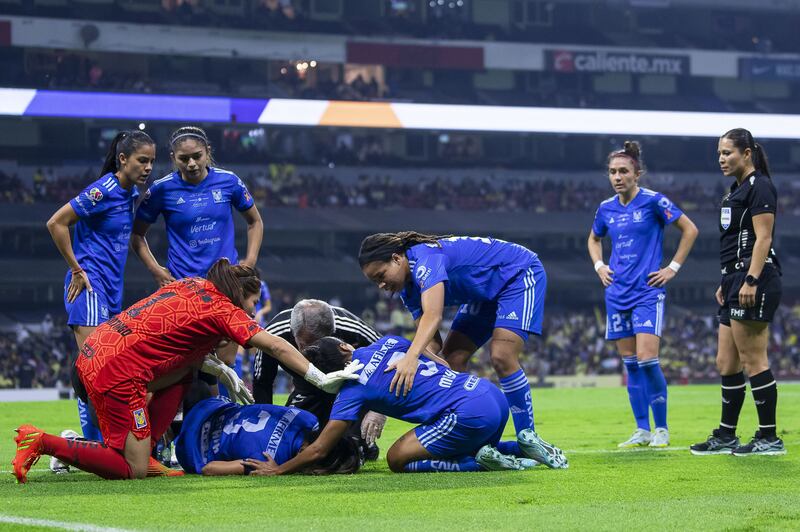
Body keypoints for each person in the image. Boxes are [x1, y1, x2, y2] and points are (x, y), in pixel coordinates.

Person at [11, 259, 362, 483]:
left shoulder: (190, 284)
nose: (253, 312)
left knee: (185, 373)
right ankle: (44, 441)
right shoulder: (226, 310)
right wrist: (320, 377)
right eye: (254, 303)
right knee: (131, 470)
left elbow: (177, 344)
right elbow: (274, 345)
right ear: (243, 293)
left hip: (99, 348)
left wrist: (223, 371)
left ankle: (144, 452)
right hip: (117, 371)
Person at [358, 232, 564, 464]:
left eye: (381, 275)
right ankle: (469, 436)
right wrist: (383, 403)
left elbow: (433, 316)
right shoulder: (408, 290)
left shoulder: (425, 259)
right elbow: (432, 343)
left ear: (397, 259)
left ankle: (528, 437)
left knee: (502, 355)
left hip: (517, 273)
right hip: (483, 294)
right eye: (375, 281)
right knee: (453, 358)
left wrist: (411, 357)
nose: (382, 285)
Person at [252, 336, 566, 475]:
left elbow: (320, 449)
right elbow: (437, 358)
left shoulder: (351, 390)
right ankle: (521, 451)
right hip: (485, 391)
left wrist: (278, 470)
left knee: (396, 459)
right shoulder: (388, 341)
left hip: (466, 414)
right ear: (346, 346)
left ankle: (477, 464)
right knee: (460, 442)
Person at [46, 130, 155, 445]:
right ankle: (92, 443)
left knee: (102, 371)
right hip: (89, 286)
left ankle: (89, 442)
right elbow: (56, 222)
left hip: (111, 293)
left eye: (152, 161)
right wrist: (76, 269)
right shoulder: (103, 190)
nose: (148, 167)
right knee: (96, 370)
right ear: (123, 159)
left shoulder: (131, 194)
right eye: (142, 160)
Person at [587, 141, 698, 448]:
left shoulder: (654, 202)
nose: (617, 177)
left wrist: (672, 268)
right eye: (612, 172)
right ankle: (642, 430)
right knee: (631, 363)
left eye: (623, 171)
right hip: (616, 293)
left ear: (637, 173)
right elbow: (593, 239)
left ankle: (661, 428)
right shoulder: (606, 208)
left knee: (648, 360)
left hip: (647, 292)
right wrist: (599, 266)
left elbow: (690, 229)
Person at [691, 128, 786, 456]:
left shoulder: (760, 186)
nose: (721, 158)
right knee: (726, 361)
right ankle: (727, 436)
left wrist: (750, 279)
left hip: (754, 278)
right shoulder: (736, 190)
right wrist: (728, 279)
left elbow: (763, 239)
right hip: (734, 279)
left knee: (753, 359)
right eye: (719, 153)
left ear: (747, 153)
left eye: (728, 152)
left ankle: (769, 437)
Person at [251, 299, 385, 458]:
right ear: (293, 333)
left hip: (348, 388)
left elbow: (386, 358)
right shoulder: (274, 333)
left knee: (352, 451)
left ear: (334, 332)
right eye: (307, 345)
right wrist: (263, 432)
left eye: (323, 342)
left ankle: (361, 442)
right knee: (289, 444)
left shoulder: (351, 326)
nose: (315, 353)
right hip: (305, 387)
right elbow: (262, 382)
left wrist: (378, 409)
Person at [131, 126, 263, 284]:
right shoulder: (161, 189)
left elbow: (255, 222)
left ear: (207, 152)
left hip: (226, 284)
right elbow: (137, 235)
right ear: (173, 157)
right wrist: (155, 269)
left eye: (197, 156)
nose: (191, 164)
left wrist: (250, 263)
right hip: (181, 284)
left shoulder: (229, 181)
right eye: (184, 158)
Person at [174, 396, 361, 476]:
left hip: (209, 405)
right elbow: (209, 469)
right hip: (190, 449)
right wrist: (251, 470)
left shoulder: (308, 418)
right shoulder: (268, 461)